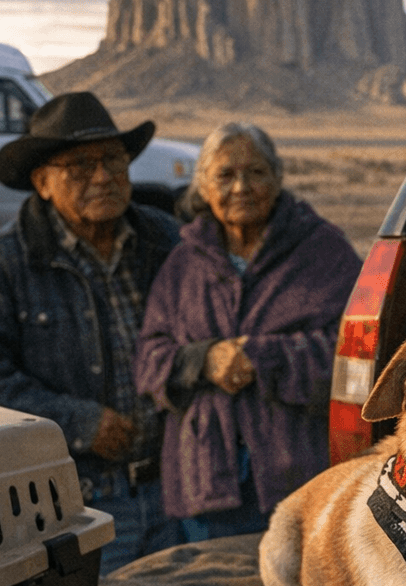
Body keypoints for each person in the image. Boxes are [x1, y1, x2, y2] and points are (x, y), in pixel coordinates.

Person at [0, 91, 183, 574]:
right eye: (79, 165)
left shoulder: (166, 240)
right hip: (78, 504)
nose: (103, 177)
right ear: (43, 183)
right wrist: (79, 422)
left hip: (177, 490)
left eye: (114, 159)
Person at [133, 122, 361, 540]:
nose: (241, 187)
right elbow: (149, 360)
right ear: (202, 186)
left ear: (277, 179)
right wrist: (204, 360)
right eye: (225, 175)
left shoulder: (323, 251)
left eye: (256, 173)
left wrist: (262, 359)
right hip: (204, 482)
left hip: (297, 478)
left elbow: (355, 355)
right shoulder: (183, 264)